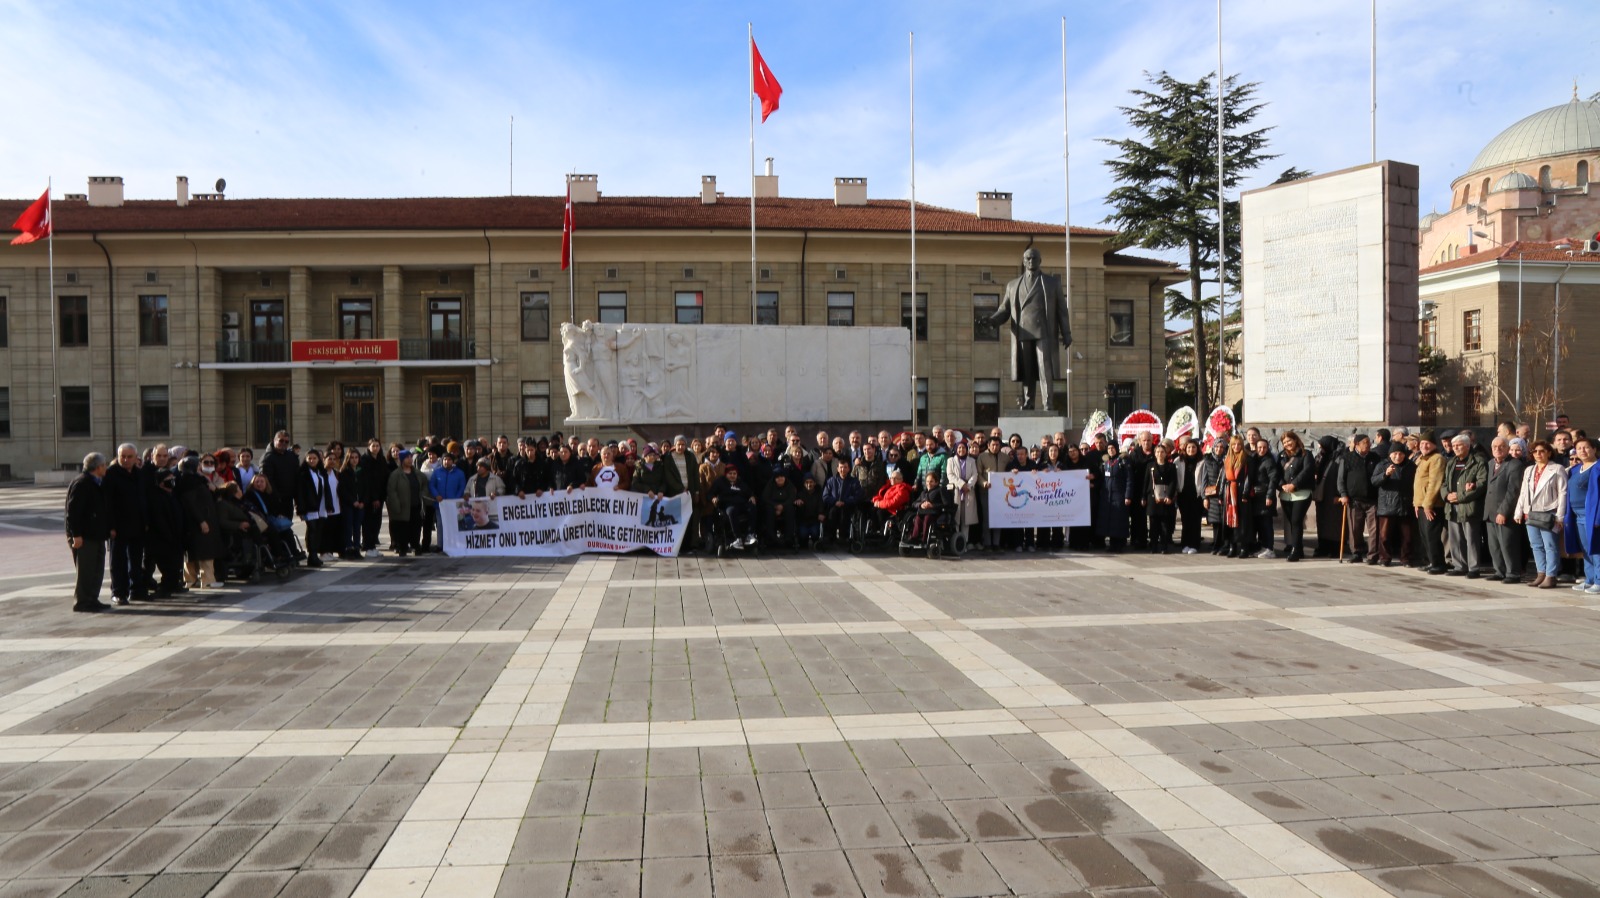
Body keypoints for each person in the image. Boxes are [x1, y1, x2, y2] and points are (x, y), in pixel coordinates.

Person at [986, 246, 1073, 410]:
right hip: (1023, 332)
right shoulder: (1013, 285)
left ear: (1040, 261)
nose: (1031, 261)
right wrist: (992, 321)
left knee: (1044, 367)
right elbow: (1004, 309)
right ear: (1023, 261)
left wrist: (1066, 333)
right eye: (1028, 258)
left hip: (1044, 332)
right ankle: (1029, 401)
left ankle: (1048, 402)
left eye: (1034, 258)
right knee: (1027, 369)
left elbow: (1062, 310)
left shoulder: (1052, 283)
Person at [1515, 441, 1567, 589]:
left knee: (1550, 545)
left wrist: (1560, 516)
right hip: (1530, 512)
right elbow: (1523, 492)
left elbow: (1563, 493)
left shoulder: (1557, 469)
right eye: (1535, 451)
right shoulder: (1529, 470)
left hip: (1549, 512)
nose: (1538, 454)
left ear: (1549, 452)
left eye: (1542, 451)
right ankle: (1541, 573)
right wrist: (1519, 511)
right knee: (1536, 545)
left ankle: (1551, 575)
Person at [65, 452, 112, 613]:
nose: (106, 467)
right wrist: (75, 535)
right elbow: (73, 512)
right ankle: (82, 601)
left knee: (96, 569)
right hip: (85, 536)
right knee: (86, 570)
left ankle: (92, 598)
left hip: (97, 534)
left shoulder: (98, 482)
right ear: (98, 467)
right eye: (104, 465)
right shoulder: (82, 483)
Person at [103, 443, 148, 606]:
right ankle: (118, 592)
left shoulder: (140, 474)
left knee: (136, 559)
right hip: (119, 526)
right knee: (118, 561)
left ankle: (136, 589)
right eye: (123, 456)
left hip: (138, 524)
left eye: (130, 457)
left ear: (136, 458)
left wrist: (146, 521)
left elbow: (144, 498)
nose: (126, 459)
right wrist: (111, 526)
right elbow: (107, 503)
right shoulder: (111, 474)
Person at [1440, 433, 1488, 578]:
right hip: (1451, 505)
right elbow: (1444, 483)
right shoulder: (1451, 462)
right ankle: (1459, 565)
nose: (1455, 448)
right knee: (1455, 538)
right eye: (1454, 446)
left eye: (1458, 445)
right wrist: (1446, 495)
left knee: (1471, 538)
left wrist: (1460, 497)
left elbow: (1481, 484)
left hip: (1468, 505)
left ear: (1467, 445)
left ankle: (1473, 568)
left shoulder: (1478, 461)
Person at [1483, 436, 1528, 583]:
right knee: (1494, 545)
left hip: (1505, 512)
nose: (1498, 449)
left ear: (1508, 449)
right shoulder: (1490, 464)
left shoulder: (1514, 465)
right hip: (1490, 511)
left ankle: (1513, 573)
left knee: (1508, 544)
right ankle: (1499, 571)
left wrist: (1503, 511)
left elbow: (1513, 491)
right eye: (1495, 447)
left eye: (1501, 446)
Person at [176, 455, 225, 587]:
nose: (200, 467)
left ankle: (191, 579)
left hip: (196, 520)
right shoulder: (190, 481)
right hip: (199, 521)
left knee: (192, 552)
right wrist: (201, 520)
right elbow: (191, 503)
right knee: (205, 551)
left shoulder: (193, 480)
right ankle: (207, 580)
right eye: (198, 465)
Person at [1563, 437, 1600, 594]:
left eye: (1586, 448)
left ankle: (1599, 581)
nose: (1583, 451)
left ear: (1595, 449)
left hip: (1591, 515)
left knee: (1596, 548)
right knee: (1585, 549)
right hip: (1576, 515)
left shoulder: (1597, 468)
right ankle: (1590, 578)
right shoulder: (1575, 469)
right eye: (1579, 448)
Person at [1335, 434, 1380, 563]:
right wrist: (1343, 494)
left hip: (1372, 499)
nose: (1369, 444)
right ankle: (1356, 553)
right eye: (1365, 442)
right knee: (1355, 528)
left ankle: (1373, 555)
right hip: (1354, 500)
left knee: (1374, 529)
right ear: (1357, 444)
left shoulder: (1375, 458)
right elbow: (1340, 479)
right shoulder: (1347, 458)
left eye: (1369, 442)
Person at [1372, 444, 1416, 567]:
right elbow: (1374, 481)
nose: (1397, 457)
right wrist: (1385, 475)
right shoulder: (1382, 465)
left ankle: (1406, 558)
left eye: (1400, 454)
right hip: (1387, 505)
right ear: (1390, 454)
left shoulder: (1410, 466)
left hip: (1405, 504)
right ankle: (1385, 558)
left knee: (1407, 536)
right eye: (1395, 454)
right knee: (1384, 536)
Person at [1277, 431, 1316, 562]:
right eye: (1284, 442)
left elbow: (1307, 471)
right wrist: (1282, 485)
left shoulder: (1306, 454)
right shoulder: (1281, 456)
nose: (1287, 444)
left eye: (1289, 441)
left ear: (1295, 440)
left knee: (1296, 521)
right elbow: (1276, 473)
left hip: (1301, 494)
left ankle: (1295, 550)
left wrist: (1294, 484)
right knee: (1291, 522)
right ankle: (1298, 548)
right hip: (1285, 495)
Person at [1413, 431, 1449, 574]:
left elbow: (1435, 482)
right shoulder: (1421, 459)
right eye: (1422, 443)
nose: (1424, 446)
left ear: (1434, 444)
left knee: (1432, 535)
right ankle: (1431, 561)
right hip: (1421, 504)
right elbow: (1418, 483)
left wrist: (1428, 504)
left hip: (1433, 505)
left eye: (1427, 443)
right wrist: (1416, 503)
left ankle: (1439, 564)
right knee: (1425, 535)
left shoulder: (1437, 459)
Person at [385, 449, 425, 557]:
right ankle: (402, 547)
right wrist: (396, 505)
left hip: (415, 505)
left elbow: (425, 484)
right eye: (407, 457)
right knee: (402, 528)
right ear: (402, 460)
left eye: (410, 457)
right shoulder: (396, 474)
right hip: (402, 507)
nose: (410, 459)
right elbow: (391, 491)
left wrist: (423, 496)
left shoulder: (416, 473)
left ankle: (416, 546)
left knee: (416, 527)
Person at [357, 438, 390, 558]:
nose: (375, 448)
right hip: (370, 497)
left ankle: (372, 545)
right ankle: (368, 546)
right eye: (373, 446)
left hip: (380, 497)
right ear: (369, 447)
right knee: (368, 522)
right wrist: (374, 497)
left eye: (377, 446)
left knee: (376, 522)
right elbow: (368, 481)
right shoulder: (365, 460)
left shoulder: (381, 459)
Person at [709, 464, 757, 547]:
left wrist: (752, 496)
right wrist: (713, 498)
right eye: (730, 474)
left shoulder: (740, 482)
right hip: (727, 504)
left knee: (752, 508)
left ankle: (750, 535)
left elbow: (749, 492)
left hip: (741, 503)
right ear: (726, 474)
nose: (732, 476)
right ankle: (737, 538)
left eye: (734, 474)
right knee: (731, 511)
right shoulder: (720, 482)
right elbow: (710, 494)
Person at [1219, 435, 1251, 559]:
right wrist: (1221, 493)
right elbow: (1223, 477)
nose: (1236, 447)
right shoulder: (1227, 459)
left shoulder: (1246, 459)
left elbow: (1249, 477)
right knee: (1229, 520)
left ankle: (1244, 547)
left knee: (1242, 521)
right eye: (1233, 444)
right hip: (1229, 493)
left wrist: (1245, 493)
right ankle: (1232, 546)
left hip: (1241, 492)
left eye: (1238, 444)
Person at [945, 440, 980, 551]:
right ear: (956, 449)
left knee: (966, 520)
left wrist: (968, 486)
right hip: (956, 491)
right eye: (959, 448)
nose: (961, 450)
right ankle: (956, 543)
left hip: (968, 492)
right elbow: (950, 475)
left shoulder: (971, 461)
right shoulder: (951, 460)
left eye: (963, 448)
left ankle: (964, 543)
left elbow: (975, 475)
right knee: (956, 518)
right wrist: (961, 484)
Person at [821, 459, 863, 548]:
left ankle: (844, 537)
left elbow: (857, 496)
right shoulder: (831, 481)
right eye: (841, 467)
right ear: (837, 469)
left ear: (849, 469)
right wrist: (835, 502)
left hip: (848, 506)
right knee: (832, 513)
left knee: (845, 515)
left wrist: (845, 502)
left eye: (845, 467)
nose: (843, 469)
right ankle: (830, 537)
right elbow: (825, 496)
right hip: (834, 506)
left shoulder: (854, 481)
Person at [903, 471, 952, 545]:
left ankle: (924, 540)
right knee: (918, 518)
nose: (929, 483)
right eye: (927, 481)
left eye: (931, 481)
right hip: (923, 512)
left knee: (927, 518)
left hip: (936, 513)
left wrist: (932, 505)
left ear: (936, 482)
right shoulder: (923, 493)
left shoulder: (940, 490)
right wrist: (921, 505)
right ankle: (914, 538)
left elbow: (947, 504)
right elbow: (914, 503)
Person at [1146, 443, 1177, 554]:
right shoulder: (1150, 466)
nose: (1160, 454)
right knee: (1153, 524)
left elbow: (1173, 482)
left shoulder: (1171, 466)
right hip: (1153, 499)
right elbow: (1146, 482)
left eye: (1162, 452)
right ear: (1155, 453)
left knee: (1164, 524)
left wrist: (1169, 496)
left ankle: (1164, 546)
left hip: (1165, 498)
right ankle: (1153, 546)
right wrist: (1143, 497)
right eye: (1158, 452)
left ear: (1166, 453)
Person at [1099, 442, 1130, 553]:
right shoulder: (1106, 462)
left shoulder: (1123, 462)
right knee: (1111, 521)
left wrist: (1127, 495)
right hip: (1109, 496)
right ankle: (1112, 544)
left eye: (1112, 448)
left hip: (1119, 495)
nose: (1111, 450)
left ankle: (1119, 544)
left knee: (1119, 521)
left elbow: (1129, 480)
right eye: (1108, 448)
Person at [1175, 439, 1204, 554]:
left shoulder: (1202, 461)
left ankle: (1195, 544)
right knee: (1185, 520)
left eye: (1193, 447)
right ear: (1185, 449)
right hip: (1183, 494)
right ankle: (1185, 543)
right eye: (1189, 448)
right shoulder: (1178, 461)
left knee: (1195, 520)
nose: (1191, 450)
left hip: (1197, 495)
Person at [261, 430, 299, 519]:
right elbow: (267, 480)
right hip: (274, 501)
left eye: (286, 441)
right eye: (281, 440)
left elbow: (296, 478)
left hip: (288, 500)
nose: (284, 443)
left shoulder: (292, 457)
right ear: (275, 441)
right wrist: (277, 498)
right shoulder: (267, 458)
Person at [1200, 437, 1227, 554]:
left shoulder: (1227, 460)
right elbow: (1204, 480)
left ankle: (1223, 545)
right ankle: (1216, 545)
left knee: (1224, 522)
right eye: (1216, 447)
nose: (1219, 449)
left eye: (1221, 447)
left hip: (1225, 494)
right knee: (1215, 522)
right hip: (1213, 495)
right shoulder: (1207, 461)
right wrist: (1204, 497)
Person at [760, 466, 798, 549]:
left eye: (782, 477)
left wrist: (782, 506)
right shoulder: (770, 484)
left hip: (785, 506)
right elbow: (765, 498)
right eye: (777, 477)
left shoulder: (789, 485)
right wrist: (776, 506)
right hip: (773, 506)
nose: (780, 479)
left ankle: (788, 538)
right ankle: (771, 538)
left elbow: (792, 497)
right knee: (768, 510)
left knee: (790, 509)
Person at [794, 474, 824, 546]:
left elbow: (821, 505)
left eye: (811, 482)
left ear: (814, 483)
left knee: (815, 533)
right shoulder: (800, 495)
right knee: (803, 535)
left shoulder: (818, 494)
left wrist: (821, 513)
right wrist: (797, 503)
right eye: (806, 482)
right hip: (803, 521)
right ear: (804, 484)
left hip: (815, 520)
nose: (809, 484)